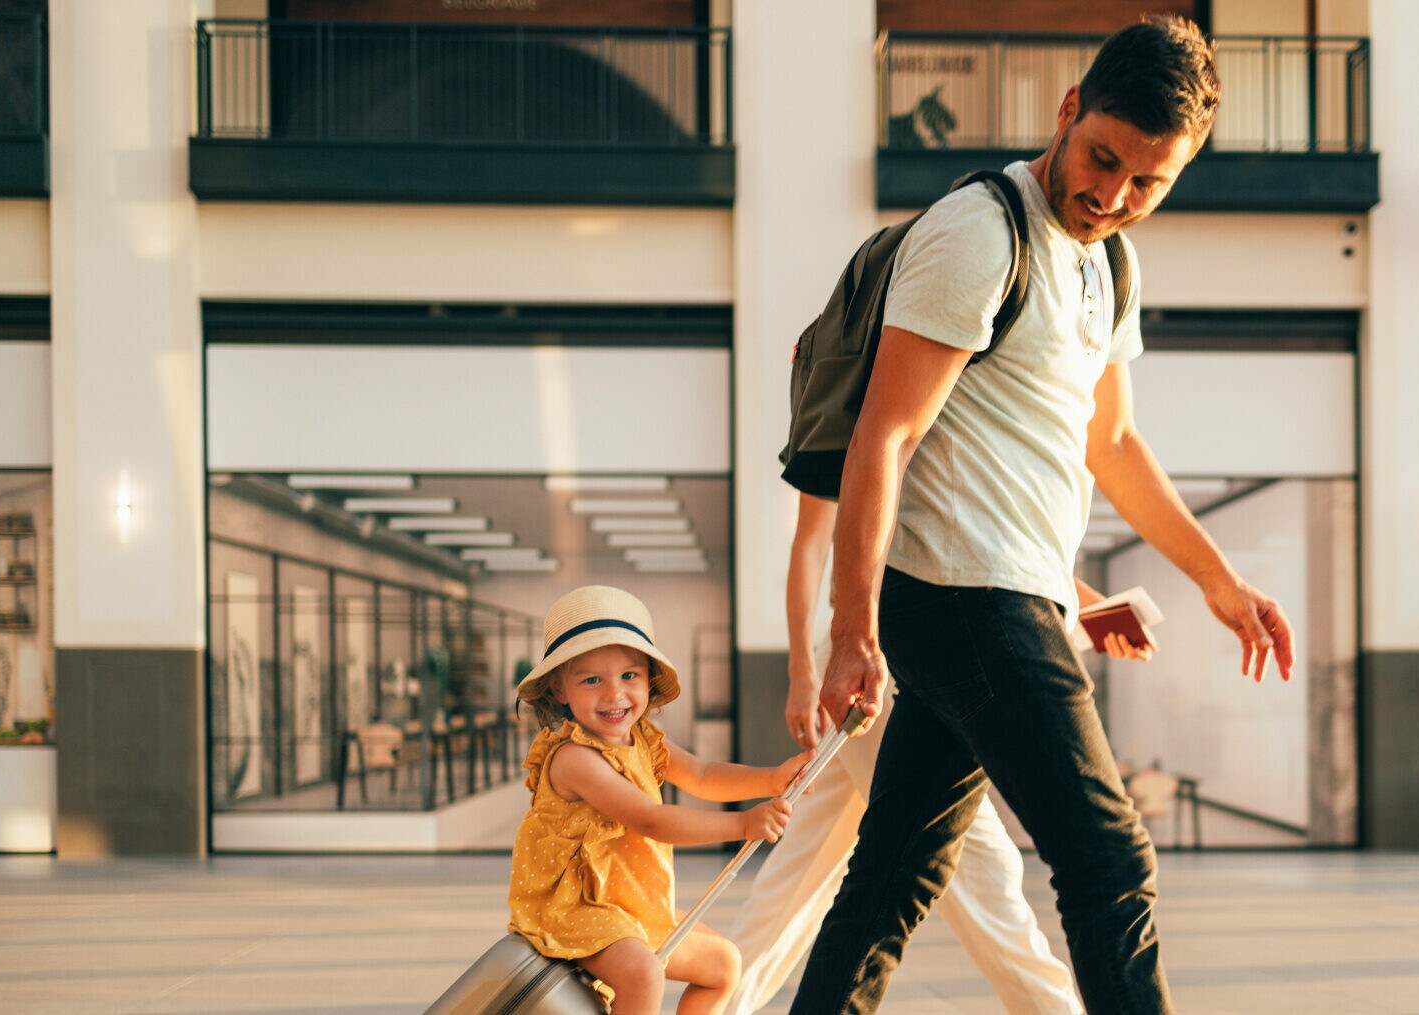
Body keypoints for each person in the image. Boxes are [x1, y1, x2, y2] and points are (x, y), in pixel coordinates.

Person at [790, 16, 1295, 1015]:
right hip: (960, 602)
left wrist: (1216, 580)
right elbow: (882, 439)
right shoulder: (979, 233)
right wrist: (852, 630)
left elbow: (1110, 447)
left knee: (892, 880)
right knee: (1109, 861)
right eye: (1102, 158)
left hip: (1008, 601)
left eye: (1145, 182)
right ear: (1067, 110)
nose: (1110, 196)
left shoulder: (1110, 266)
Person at [725, 493, 1150, 1014]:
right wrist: (801, 673)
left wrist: (1098, 612)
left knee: (803, 872)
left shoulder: (960, 440)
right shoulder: (858, 420)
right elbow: (810, 545)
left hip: (922, 657)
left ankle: (715, 1003)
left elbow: (997, 546)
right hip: (870, 669)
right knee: (982, 874)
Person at [509, 585, 811, 1015]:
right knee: (643, 973)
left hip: (630, 906)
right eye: (592, 679)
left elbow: (704, 777)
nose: (614, 695)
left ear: (648, 679)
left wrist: (774, 779)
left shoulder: (644, 741)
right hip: (579, 908)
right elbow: (649, 819)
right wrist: (742, 825)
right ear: (559, 689)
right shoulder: (574, 758)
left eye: (629, 676)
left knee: (724, 964)